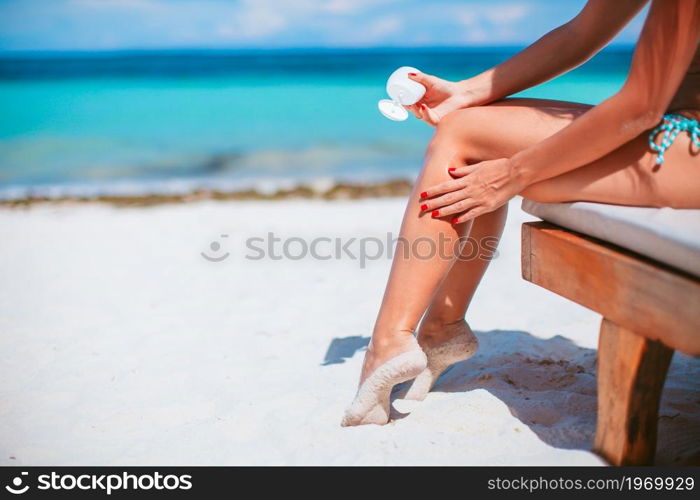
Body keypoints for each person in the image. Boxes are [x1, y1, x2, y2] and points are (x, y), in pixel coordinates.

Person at [342, 0, 700, 426]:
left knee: (464, 137)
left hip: (686, 147)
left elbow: (641, 106)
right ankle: (439, 328)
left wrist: (514, 172)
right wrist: (466, 92)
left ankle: (390, 342)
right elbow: (583, 33)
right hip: (678, 139)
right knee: (470, 131)